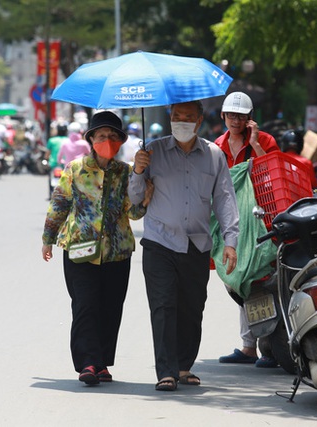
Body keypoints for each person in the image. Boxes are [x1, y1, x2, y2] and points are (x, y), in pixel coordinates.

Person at [128, 100, 239, 391]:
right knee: (163, 306)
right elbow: (135, 199)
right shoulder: (152, 151)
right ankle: (165, 371)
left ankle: (183, 366)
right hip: (160, 242)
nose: (181, 122)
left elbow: (225, 199)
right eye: (176, 117)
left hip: (197, 244)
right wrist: (138, 171)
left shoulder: (214, 155)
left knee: (192, 308)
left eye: (187, 117)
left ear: (199, 120)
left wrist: (231, 240)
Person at [41, 111, 153, 386]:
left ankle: (101, 362)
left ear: (120, 142)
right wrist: (48, 238)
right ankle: (87, 363)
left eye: (113, 136)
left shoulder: (126, 172)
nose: (107, 140)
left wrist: (146, 194)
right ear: (90, 139)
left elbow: (135, 213)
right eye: (101, 135)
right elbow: (60, 203)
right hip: (80, 249)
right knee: (85, 305)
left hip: (117, 251)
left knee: (111, 307)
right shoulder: (75, 168)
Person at [213, 91, 281, 369]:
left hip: (263, 215)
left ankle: (269, 347)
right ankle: (250, 346)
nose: (235, 121)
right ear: (223, 117)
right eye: (231, 115)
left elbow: (274, 170)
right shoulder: (217, 146)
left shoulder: (264, 141)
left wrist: (255, 144)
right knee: (238, 278)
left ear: (250, 119)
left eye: (241, 116)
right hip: (233, 222)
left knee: (265, 277)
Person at [45, 121, 69, 198]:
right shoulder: (68, 140)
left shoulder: (52, 140)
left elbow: (47, 153)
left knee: (51, 176)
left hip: (53, 163)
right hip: (66, 164)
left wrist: (46, 159)